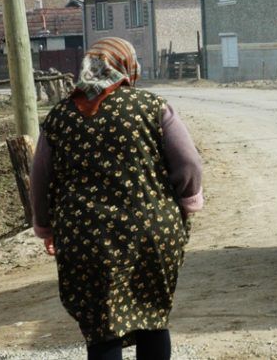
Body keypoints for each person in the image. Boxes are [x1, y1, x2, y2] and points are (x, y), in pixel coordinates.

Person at [29, 37, 203, 360]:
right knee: (152, 316)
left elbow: (39, 180)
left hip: (86, 241)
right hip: (152, 235)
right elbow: (189, 163)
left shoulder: (58, 119)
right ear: (126, 67)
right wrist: (187, 201)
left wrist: (45, 227)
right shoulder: (154, 108)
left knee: (101, 325)